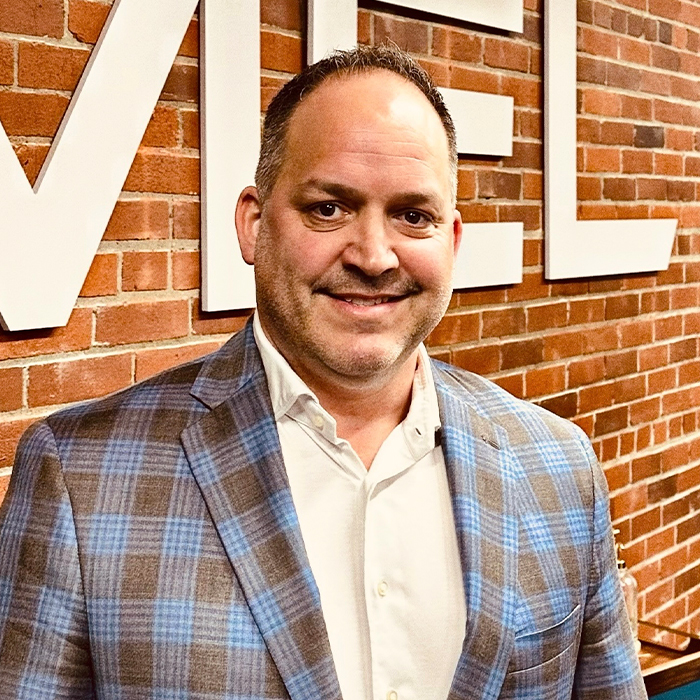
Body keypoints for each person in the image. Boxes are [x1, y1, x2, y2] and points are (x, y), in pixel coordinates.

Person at [0, 45, 646, 699]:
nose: (374, 256)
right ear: (254, 225)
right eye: (329, 208)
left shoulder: (560, 467)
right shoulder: (78, 480)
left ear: (451, 242)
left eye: (412, 216)